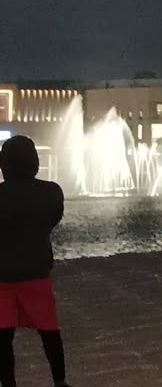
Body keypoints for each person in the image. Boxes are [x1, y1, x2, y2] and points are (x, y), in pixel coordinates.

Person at [0, 135, 71, 387]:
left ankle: (8, 383)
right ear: (35, 161)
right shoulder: (51, 192)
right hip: (37, 271)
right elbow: (52, 220)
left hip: (3, 276)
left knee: (3, 336)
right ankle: (59, 381)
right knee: (50, 332)